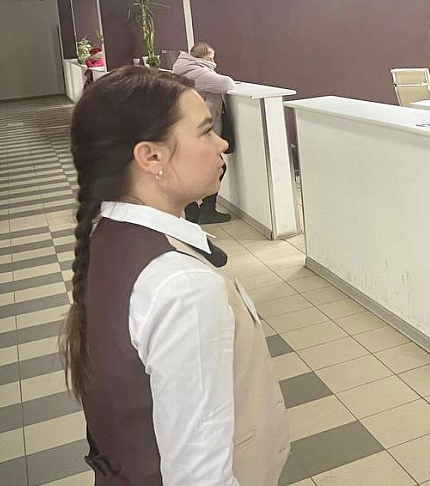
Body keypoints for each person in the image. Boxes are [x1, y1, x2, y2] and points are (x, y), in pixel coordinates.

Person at [60, 66, 289, 485]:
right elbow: (199, 475)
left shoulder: (109, 236)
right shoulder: (182, 286)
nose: (221, 142)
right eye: (205, 131)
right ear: (151, 157)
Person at [173, 41, 236, 224]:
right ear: (200, 58)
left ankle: (194, 210)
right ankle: (203, 210)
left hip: (190, 127)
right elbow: (226, 84)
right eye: (210, 59)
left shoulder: (184, 68)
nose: (213, 63)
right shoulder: (196, 72)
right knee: (216, 167)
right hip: (200, 130)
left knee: (196, 168)